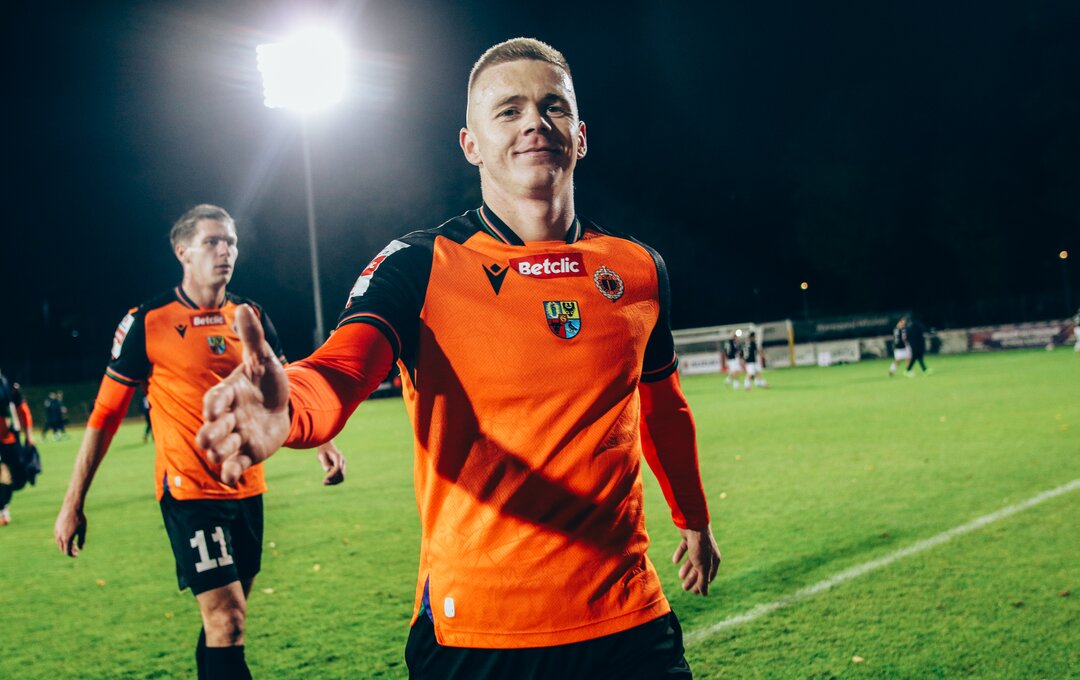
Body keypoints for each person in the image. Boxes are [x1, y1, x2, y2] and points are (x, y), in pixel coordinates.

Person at [197, 38, 721, 679]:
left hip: (629, 624)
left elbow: (663, 406)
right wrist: (290, 410)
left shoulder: (638, 269)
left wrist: (693, 518)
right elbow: (342, 368)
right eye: (509, 110)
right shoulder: (420, 265)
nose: (535, 122)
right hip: (477, 635)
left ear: (580, 136)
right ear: (471, 144)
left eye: (553, 106)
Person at [54, 204, 347, 680]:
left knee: (225, 621)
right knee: (227, 620)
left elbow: (288, 387)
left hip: (247, 488)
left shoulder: (250, 316)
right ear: (182, 251)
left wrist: (323, 441)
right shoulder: (148, 321)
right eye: (212, 241)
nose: (225, 251)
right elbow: (105, 415)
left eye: (231, 241)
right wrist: (73, 503)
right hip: (189, 493)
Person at [0, 374, 34, 526]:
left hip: (9, 437)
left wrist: (29, 435)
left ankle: (3, 506)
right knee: (3, 473)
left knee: (18, 478)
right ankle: (3, 509)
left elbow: (22, 408)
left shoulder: (5, 383)